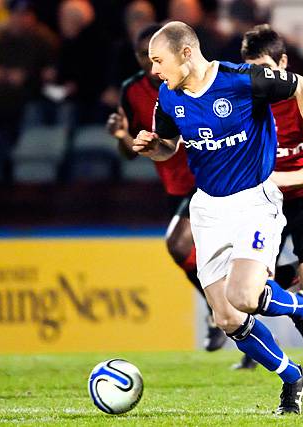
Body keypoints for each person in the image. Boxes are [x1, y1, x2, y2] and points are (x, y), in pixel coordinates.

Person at [133, 21, 303, 414]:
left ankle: (301, 308)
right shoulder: (168, 95)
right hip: (209, 208)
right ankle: (291, 377)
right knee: (227, 317)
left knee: (244, 296)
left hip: (254, 202)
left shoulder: (242, 79)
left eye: (159, 61)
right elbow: (168, 146)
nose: (155, 70)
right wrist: (153, 146)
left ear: (186, 53)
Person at [229, 23, 303, 392]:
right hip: (265, 202)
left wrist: (276, 180)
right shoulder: (243, 99)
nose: (259, 76)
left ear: (283, 62)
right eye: (251, 68)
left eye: (265, 66)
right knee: (246, 292)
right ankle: (285, 283)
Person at [106, 23, 226, 352]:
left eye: (157, 56)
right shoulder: (133, 91)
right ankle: (231, 307)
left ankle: (219, 309)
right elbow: (132, 152)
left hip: (206, 178)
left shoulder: (193, 80)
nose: (152, 64)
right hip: (174, 184)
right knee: (198, 253)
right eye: (146, 56)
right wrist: (123, 138)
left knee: (178, 243)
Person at [0, 0, 58, 145]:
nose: (20, 19)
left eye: (24, 15)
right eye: (16, 15)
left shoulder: (45, 41)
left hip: (29, 99)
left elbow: (51, 80)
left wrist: (26, 78)